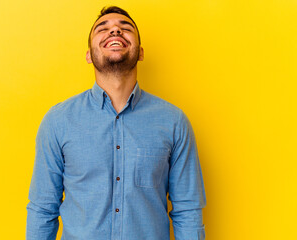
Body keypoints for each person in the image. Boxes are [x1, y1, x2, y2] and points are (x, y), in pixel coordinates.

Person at [26, 6, 206, 240]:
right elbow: (43, 209)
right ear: (89, 55)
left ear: (140, 52)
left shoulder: (173, 121)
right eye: (104, 29)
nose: (114, 32)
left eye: (124, 28)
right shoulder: (58, 121)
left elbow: (187, 210)